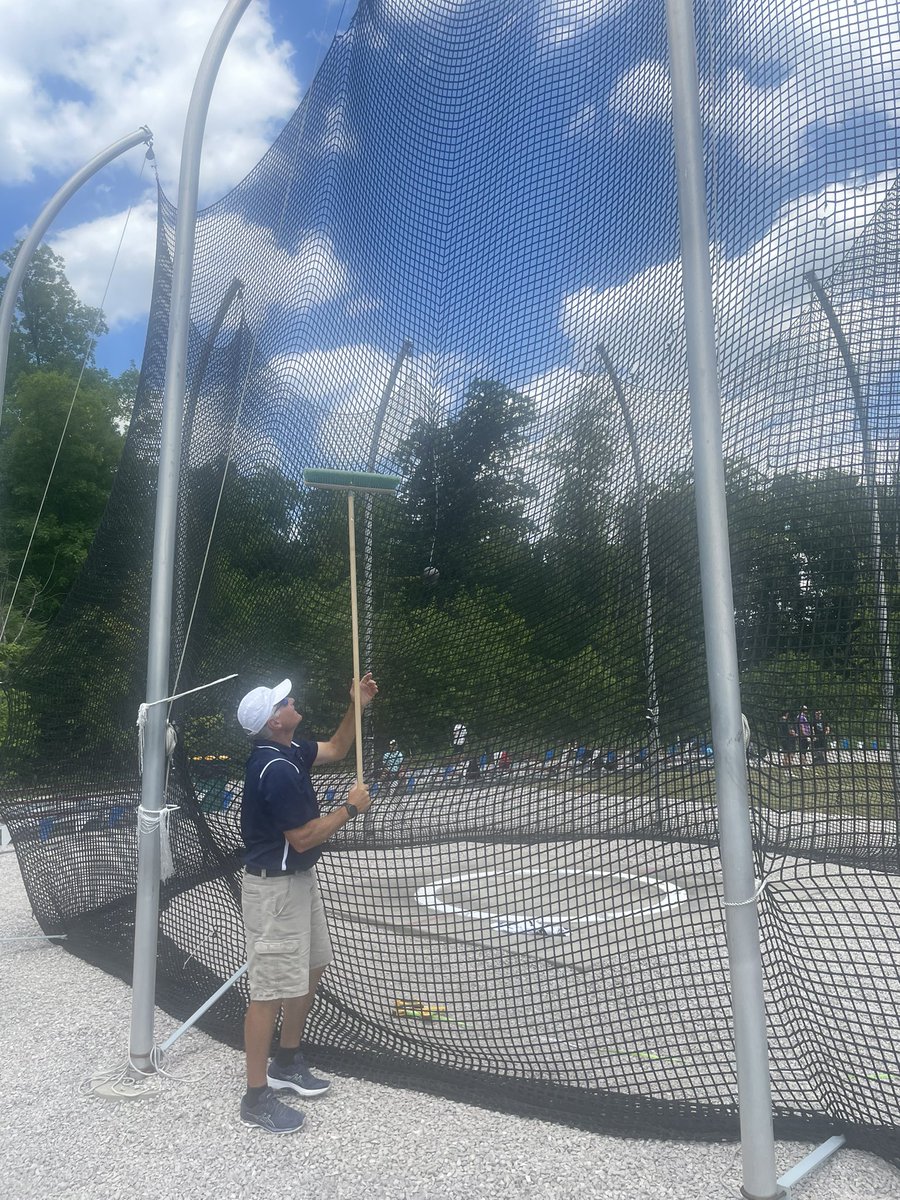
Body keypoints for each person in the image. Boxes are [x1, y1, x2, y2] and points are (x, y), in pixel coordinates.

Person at [235, 671, 378, 1134]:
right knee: (269, 993)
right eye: (284, 701)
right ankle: (256, 1097)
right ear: (275, 722)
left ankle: (287, 1060)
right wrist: (350, 808)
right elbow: (301, 838)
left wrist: (356, 703)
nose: (293, 700)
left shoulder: (288, 751)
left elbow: (337, 748)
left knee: (311, 967)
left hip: (296, 884)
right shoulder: (273, 769)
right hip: (273, 891)